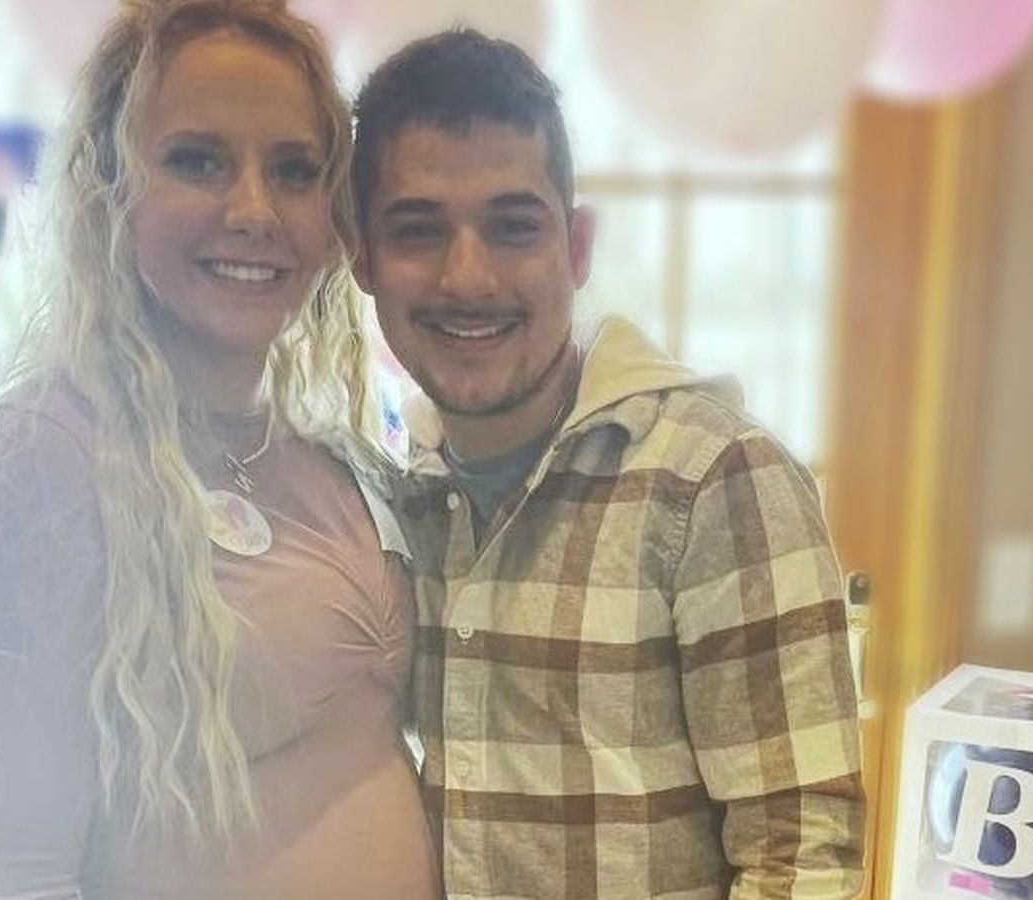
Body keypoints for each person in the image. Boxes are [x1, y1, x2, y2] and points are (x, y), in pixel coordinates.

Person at [0, 2, 440, 897]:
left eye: (294, 170)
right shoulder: (46, 461)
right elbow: (18, 874)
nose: (254, 209)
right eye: (198, 160)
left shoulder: (319, 443)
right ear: (108, 185)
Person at [353, 29, 866, 899]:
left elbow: (803, 857)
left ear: (578, 245)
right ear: (362, 257)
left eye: (514, 227)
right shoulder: (390, 497)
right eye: (419, 230)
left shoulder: (715, 479)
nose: (468, 277)